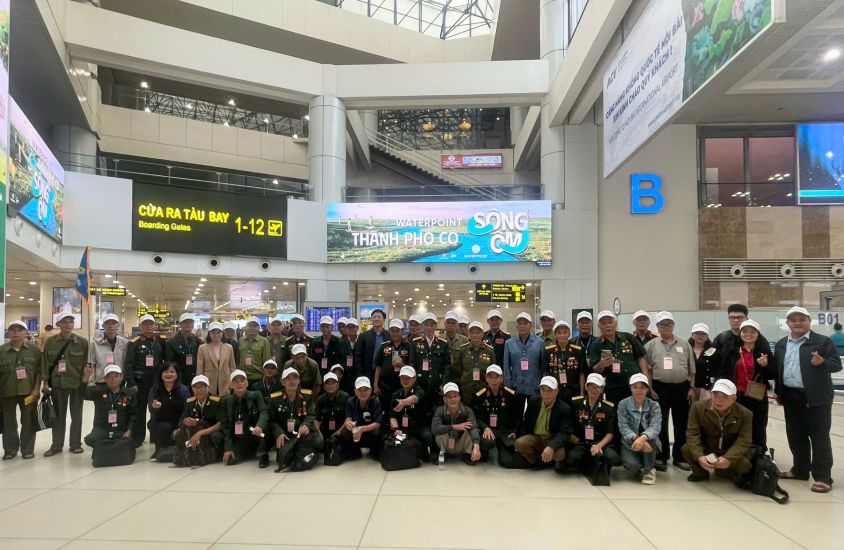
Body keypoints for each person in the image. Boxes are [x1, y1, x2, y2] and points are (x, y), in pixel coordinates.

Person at [775, 306, 843, 493]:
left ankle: (823, 477)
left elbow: (836, 365)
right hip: (791, 396)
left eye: (802, 319)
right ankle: (800, 470)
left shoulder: (822, 341)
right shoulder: (782, 344)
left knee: (819, 437)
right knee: (796, 436)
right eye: (793, 320)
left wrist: (823, 362)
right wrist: (779, 393)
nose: (798, 323)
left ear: (809, 321)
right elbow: (779, 370)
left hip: (816, 397)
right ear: (788, 323)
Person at [643, 311, 694, 472]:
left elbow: (692, 369)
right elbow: (647, 369)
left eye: (668, 324)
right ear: (657, 327)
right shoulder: (650, 345)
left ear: (673, 325)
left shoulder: (684, 344)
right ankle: (661, 455)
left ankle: (680, 456)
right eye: (662, 324)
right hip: (659, 388)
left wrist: (691, 388)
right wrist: (650, 388)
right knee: (660, 422)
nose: (666, 327)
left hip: (681, 388)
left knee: (681, 423)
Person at [682, 379, 754, 484]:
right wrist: (699, 456)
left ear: (733, 399)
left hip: (729, 450)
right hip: (708, 448)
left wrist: (729, 458)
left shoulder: (745, 414)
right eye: (715, 395)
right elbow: (692, 433)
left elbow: (744, 440)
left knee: (745, 465)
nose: (718, 400)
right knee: (687, 449)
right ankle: (700, 473)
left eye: (725, 396)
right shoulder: (697, 407)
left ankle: (730, 473)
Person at [42, 312, 89, 457]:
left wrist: (86, 379)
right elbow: (45, 363)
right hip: (58, 384)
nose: (68, 324)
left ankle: (75, 444)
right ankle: (56, 445)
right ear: (58, 324)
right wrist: (45, 383)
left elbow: (87, 363)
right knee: (58, 417)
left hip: (77, 384)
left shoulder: (82, 342)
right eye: (65, 322)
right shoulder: (51, 342)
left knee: (77, 416)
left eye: (71, 322)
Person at [722, 319, 774, 449]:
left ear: (758, 334)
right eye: (745, 331)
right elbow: (726, 373)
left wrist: (765, 366)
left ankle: (758, 452)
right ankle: (735, 453)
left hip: (758, 395)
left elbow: (773, 374)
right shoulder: (733, 352)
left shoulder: (764, 352)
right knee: (736, 424)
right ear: (740, 334)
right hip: (737, 395)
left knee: (758, 425)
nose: (748, 334)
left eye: (752, 331)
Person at [264, 367, 321, 470]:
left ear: (299, 381)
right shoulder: (275, 398)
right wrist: (279, 432)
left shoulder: (307, 395)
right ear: (283, 382)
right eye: (288, 379)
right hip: (284, 432)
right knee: (284, 454)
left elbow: (311, 414)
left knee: (319, 442)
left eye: (295, 378)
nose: (292, 381)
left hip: (301, 430)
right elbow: (271, 420)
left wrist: (305, 425)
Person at [0, 320, 43, 460]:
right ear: (8, 333)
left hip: (28, 392)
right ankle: (10, 450)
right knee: (9, 422)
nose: (16, 333)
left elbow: (39, 372)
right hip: (6, 392)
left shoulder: (34, 350)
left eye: (20, 330)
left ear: (26, 333)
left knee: (28, 421)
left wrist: (36, 389)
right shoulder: (1, 351)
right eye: (13, 330)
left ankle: (27, 450)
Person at [587, 311, 647, 405]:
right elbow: (595, 370)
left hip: (635, 384)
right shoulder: (596, 345)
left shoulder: (628, 337)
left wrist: (646, 379)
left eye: (610, 322)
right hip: (613, 388)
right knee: (616, 412)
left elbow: (641, 357)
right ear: (599, 326)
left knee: (636, 411)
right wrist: (602, 364)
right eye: (604, 323)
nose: (608, 325)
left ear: (615, 323)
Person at [514, 376, 571, 473]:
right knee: (520, 443)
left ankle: (552, 460)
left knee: (560, 454)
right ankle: (540, 460)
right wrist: (520, 436)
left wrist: (551, 446)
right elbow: (526, 423)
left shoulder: (564, 408)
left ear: (556, 391)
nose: (546, 393)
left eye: (550, 390)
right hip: (536, 438)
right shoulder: (533, 401)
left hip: (552, 439)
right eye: (543, 390)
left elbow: (565, 432)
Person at [125, 314, 166, 447]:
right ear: (140, 327)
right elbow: (128, 365)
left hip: (156, 383)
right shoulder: (134, 343)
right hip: (140, 382)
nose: (148, 326)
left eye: (151, 324)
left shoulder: (160, 341)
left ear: (155, 326)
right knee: (140, 411)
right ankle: (139, 437)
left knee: (156, 409)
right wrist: (131, 383)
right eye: (145, 324)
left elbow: (166, 362)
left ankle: (155, 436)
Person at [567, 373, 620, 473]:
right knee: (572, 458)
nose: (594, 390)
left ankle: (601, 462)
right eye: (591, 386)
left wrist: (599, 445)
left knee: (614, 458)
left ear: (602, 389)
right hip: (581, 441)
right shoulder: (576, 403)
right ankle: (588, 463)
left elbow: (610, 433)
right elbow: (568, 425)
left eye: (597, 387)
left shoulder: (609, 407)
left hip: (600, 441)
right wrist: (573, 438)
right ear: (586, 387)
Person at [617, 373, 662, 485]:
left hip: (648, 442)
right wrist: (636, 438)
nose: (639, 390)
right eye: (635, 387)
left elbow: (655, 426)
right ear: (630, 388)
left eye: (642, 387)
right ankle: (642, 465)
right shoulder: (623, 404)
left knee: (650, 441)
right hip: (629, 443)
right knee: (632, 466)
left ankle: (649, 470)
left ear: (647, 389)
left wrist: (643, 438)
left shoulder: (654, 405)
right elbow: (623, 427)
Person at [471, 365, 519, 467]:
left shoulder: (510, 394)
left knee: (507, 462)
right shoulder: (480, 395)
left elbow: (518, 416)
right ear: (486, 379)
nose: (494, 380)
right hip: (489, 432)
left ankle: (502, 449)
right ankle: (485, 451)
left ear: (501, 378)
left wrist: (515, 431)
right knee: (486, 444)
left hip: (504, 432)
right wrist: (485, 427)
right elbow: (476, 417)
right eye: (490, 377)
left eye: (497, 377)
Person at [217, 369, 268, 466]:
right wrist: (228, 447)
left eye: (242, 381)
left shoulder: (256, 395)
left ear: (247, 383)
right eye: (236, 382)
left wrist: (259, 426)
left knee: (267, 428)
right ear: (231, 385)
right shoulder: (226, 401)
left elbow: (264, 412)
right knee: (230, 461)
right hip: (238, 437)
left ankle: (263, 453)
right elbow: (225, 426)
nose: (239, 384)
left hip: (255, 434)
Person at [81, 364, 136, 448]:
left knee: (129, 440)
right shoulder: (99, 391)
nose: (113, 379)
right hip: (102, 429)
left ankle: (109, 445)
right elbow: (83, 394)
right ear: (105, 379)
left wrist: (129, 430)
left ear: (121, 378)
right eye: (109, 377)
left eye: (116, 376)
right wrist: (86, 377)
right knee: (90, 439)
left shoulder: (128, 393)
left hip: (121, 428)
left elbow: (133, 414)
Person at [388, 366, 434, 459]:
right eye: (403, 377)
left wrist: (404, 402)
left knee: (428, 436)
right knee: (396, 439)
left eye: (408, 377)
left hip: (419, 427)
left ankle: (433, 453)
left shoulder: (420, 391)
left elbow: (415, 398)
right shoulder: (395, 395)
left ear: (414, 378)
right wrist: (396, 429)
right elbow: (392, 417)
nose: (405, 380)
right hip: (403, 428)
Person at [712, 304, 769, 379]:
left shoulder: (759, 339)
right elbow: (713, 362)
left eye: (739, 317)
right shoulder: (721, 338)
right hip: (725, 381)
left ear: (747, 318)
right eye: (732, 317)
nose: (735, 320)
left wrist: (765, 365)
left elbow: (769, 366)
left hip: (752, 382)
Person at [147, 363, 191, 461]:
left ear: (177, 375)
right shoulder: (154, 390)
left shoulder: (184, 390)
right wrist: (154, 407)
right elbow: (151, 410)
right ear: (161, 374)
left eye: (172, 372)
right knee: (163, 427)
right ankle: (160, 450)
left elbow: (186, 410)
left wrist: (179, 427)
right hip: (160, 423)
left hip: (178, 423)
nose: (169, 374)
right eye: (166, 372)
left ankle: (174, 450)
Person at [409, 313, 450, 414]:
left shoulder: (443, 343)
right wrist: (414, 384)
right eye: (426, 324)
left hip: (437, 385)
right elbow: (412, 365)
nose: (429, 327)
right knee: (420, 413)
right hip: (420, 384)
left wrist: (443, 384)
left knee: (436, 413)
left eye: (432, 325)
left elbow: (447, 365)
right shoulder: (415, 343)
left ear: (436, 326)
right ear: (423, 326)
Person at [503, 312, 544, 413]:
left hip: (534, 386)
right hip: (516, 386)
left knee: (533, 414)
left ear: (531, 325)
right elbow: (506, 367)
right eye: (520, 323)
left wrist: (542, 384)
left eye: (525, 323)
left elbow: (543, 366)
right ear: (516, 326)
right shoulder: (509, 343)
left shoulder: (539, 342)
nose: (522, 326)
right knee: (516, 415)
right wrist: (508, 386)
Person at [432, 382, 481, 466]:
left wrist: (476, 446)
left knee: (470, 429)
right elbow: (434, 428)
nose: (453, 399)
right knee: (440, 432)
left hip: (461, 443)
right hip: (446, 443)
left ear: (459, 397)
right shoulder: (440, 410)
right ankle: (444, 453)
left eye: (455, 396)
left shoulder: (467, 410)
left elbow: (474, 428)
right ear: (444, 399)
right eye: (449, 397)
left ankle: (467, 454)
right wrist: (454, 427)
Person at [541, 320, 587, 405]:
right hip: (555, 391)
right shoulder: (548, 350)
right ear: (555, 334)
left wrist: (582, 392)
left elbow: (582, 373)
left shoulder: (578, 350)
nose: (562, 335)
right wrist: (546, 390)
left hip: (574, 390)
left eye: (565, 332)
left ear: (569, 334)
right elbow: (545, 372)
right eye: (559, 333)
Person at [178, 375, 223, 459]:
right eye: (195, 387)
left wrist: (200, 433)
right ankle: (190, 455)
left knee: (216, 436)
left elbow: (220, 424)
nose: (198, 390)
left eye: (202, 387)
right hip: (196, 430)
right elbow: (183, 418)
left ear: (208, 387)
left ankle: (214, 454)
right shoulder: (190, 402)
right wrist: (186, 420)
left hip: (212, 430)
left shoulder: (216, 401)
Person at [450, 321, 494, 404]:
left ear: (482, 334)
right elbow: (458, 370)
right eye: (472, 332)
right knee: (467, 410)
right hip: (467, 389)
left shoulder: (489, 351)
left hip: (483, 389)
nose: (475, 335)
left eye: (478, 332)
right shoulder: (463, 349)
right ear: (469, 334)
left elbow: (492, 371)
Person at [342, 376, 383, 459]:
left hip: (369, 433)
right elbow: (348, 419)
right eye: (360, 390)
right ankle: (355, 452)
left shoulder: (375, 401)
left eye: (366, 389)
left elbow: (378, 424)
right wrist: (349, 424)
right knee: (346, 431)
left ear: (370, 390)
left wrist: (362, 429)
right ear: (355, 392)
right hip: (356, 433)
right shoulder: (351, 402)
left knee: (377, 433)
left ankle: (373, 452)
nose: (363, 392)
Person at [87, 314, 129, 385]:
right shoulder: (95, 344)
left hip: (119, 382)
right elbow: (91, 365)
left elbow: (128, 364)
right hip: (101, 382)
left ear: (118, 325)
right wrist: (91, 384)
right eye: (107, 323)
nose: (111, 326)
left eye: (114, 323)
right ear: (103, 326)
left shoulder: (125, 343)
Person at [374, 319, 411, 401]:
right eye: (392, 331)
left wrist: (402, 366)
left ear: (402, 331)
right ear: (389, 332)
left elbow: (412, 367)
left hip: (402, 385)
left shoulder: (409, 346)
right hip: (384, 385)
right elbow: (378, 366)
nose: (395, 333)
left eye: (397, 331)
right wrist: (375, 385)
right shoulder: (383, 346)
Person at [197, 322, 236, 396]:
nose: (216, 335)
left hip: (225, 384)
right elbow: (200, 369)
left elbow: (232, 367)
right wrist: (200, 384)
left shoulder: (229, 347)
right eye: (213, 333)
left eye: (218, 332)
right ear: (209, 334)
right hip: (209, 384)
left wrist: (232, 383)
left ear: (222, 333)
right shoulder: (202, 348)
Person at [165, 313, 202, 388]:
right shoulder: (172, 342)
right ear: (180, 324)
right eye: (185, 322)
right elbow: (169, 363)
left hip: (195, 378)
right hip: (179, 379)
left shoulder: (197, 341)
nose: (188, 324)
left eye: (190, 322)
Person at [315, 371, 349, 448]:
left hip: (341, 430)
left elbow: (348, 418)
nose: (330, 386)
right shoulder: (320, 399)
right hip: (325, 430)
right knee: (318, 441)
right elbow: (316, 419)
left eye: (333, 383)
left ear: (338, 385)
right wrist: (318, 433)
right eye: (327, 383)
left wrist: (339, 431)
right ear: (324, 386)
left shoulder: (345, 397)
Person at [689, 323, 720, 400]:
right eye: (697, 333)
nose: (700, 336)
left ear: (707, 337)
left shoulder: (714, 351)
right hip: (689, 388)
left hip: (706, 389)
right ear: (692, 335)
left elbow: (717, 370)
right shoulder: (687, 350)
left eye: (703, 334)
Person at [354, 308, 387, 380]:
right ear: (371, 319)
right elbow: (358, 356)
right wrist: (360, 374)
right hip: (367, 373)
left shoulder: (388, 335)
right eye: (374, 317)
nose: (376, 319)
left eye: (379, 317)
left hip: (384, 373)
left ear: (384, 320)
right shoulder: (363, 336)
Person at [239, 317, 272, 384]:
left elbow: (266, 360)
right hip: (242, 376)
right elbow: (238, 358)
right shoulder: (241, 340)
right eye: (250, 326)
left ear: (258, 328)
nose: (252, 328)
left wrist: (266, 376)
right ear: (246, 327)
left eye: (255, 326)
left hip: (258, 377)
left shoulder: (264, 341)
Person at [338, 317, 360, 395]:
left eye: (353, 327)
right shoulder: (341, 342)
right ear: (346, 329)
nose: (351, 329)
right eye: (349, 327)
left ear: (357, 328)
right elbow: (338, 359)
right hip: (345, 376)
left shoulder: (362, 341)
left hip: (358, 375)